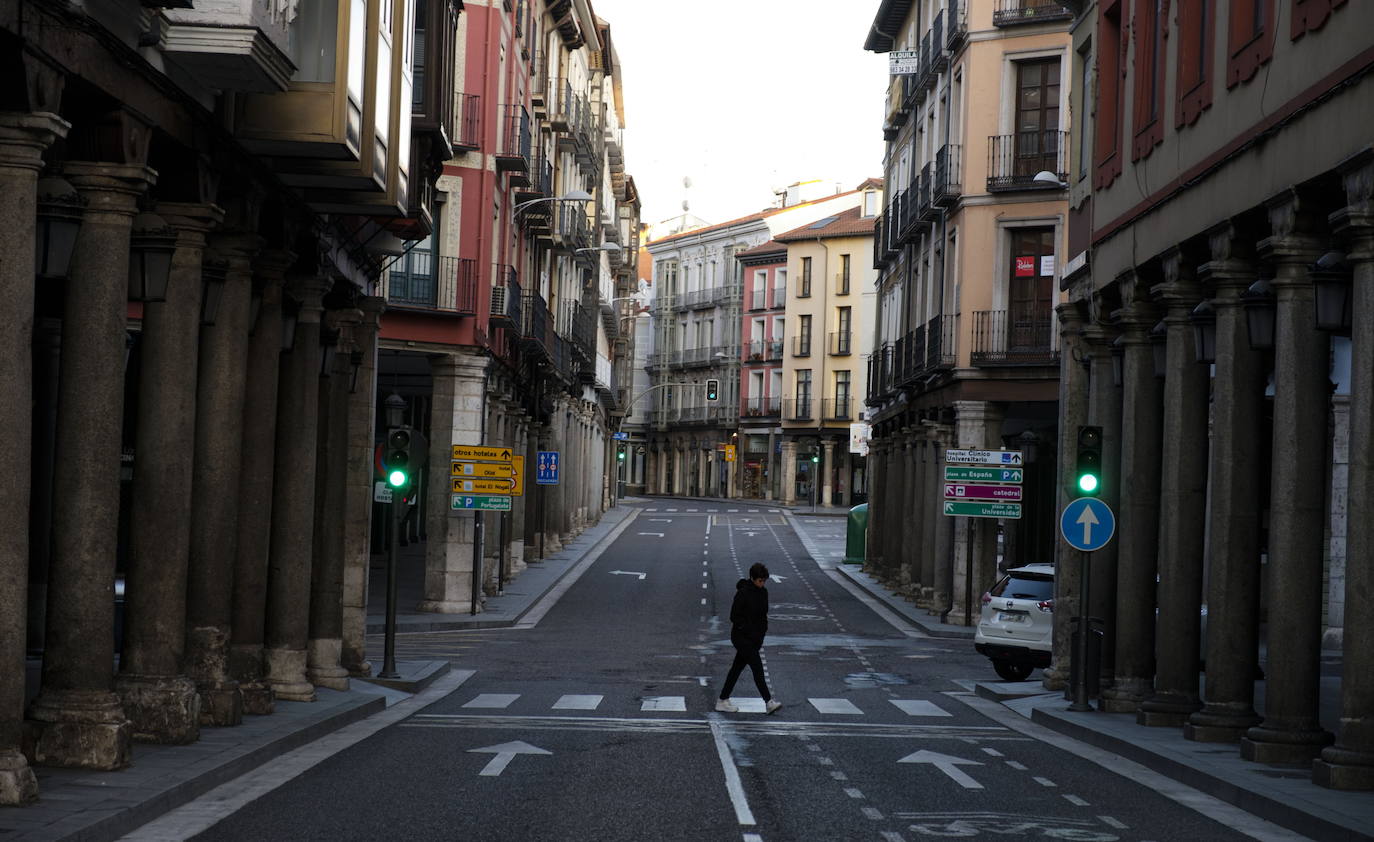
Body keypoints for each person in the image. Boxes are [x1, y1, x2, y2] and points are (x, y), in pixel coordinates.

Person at [716, 562, 781, 714]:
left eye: (764, 581)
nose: (762, 583)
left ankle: (722, 700)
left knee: (736, 669)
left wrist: (761, 635)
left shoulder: (763, 593)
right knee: (758, 668)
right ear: (752, 578)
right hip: (741, 638)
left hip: (755, 639)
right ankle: (768, 701)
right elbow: (734, 616)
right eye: (760, 580)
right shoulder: (743, 593)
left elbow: (763, 616)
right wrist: (748, 631)